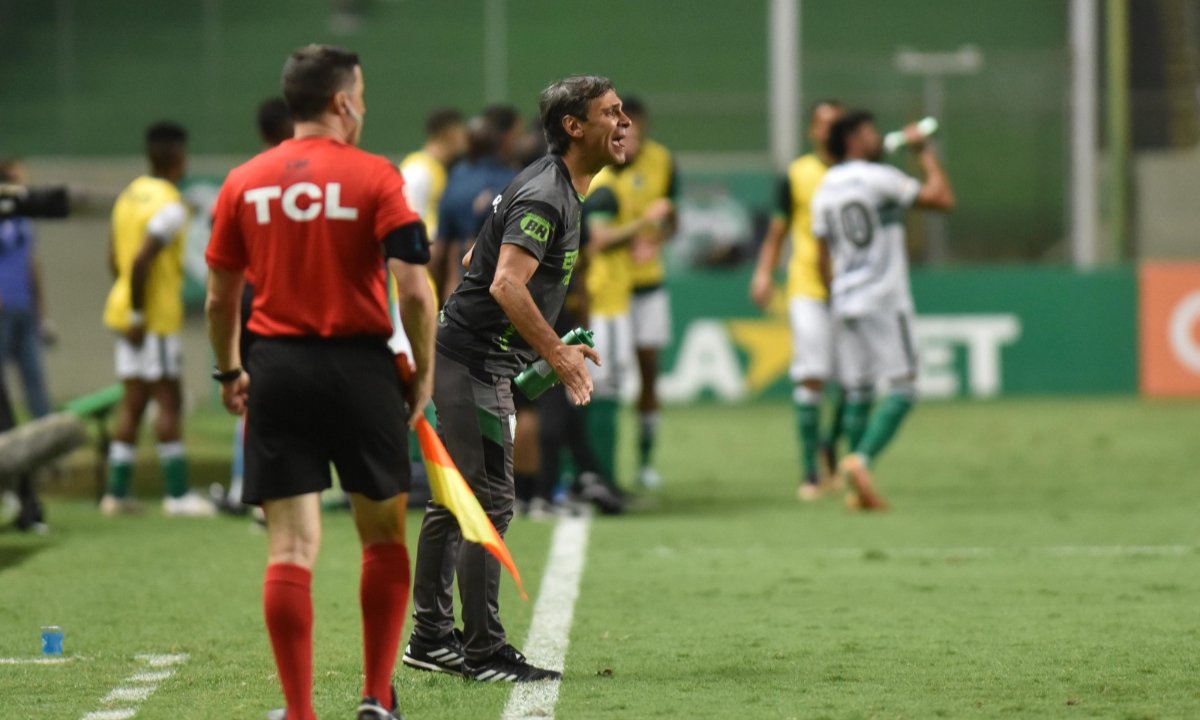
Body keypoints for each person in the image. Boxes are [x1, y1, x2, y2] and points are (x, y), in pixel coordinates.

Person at [205, 44, 436, 720]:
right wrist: (419, 371)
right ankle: (374, 698)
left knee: (291, 548)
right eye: (360, 94)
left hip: (277, 368)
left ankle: (300, 713)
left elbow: (222, 300)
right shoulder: (376, 177)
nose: (362, 106)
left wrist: (230, 370)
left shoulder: (244, 180)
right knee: (384, 539)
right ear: (342, 102)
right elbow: (416, 293)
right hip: (362, 370)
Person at [404, 75, 623, 683]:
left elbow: (476, 259)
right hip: (470, 359)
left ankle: (430, 636)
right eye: (611, 113)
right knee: (488, 500)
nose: (625, 123)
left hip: (478, 358)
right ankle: (483, 650)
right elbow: (502, 282)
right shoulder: (548, 194)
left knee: (462, 500)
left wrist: (535, 350)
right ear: (575, 128)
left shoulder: (554, 185)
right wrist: (553, 353)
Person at [811, 110, 954, 510]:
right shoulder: (879, 178)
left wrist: (834, 293)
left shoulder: (824, 187)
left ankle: (855, 488)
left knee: (858, 391)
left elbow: (821, 254)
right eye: (869, 132)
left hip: (844, 297)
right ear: (855, 141)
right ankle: (861, 460)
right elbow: (942, 198)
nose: (876, 137)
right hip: (885, 298)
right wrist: (923, 152)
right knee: (904, 388)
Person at [100, 121, 215, 517]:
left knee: (132, 401)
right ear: (178, 157)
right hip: (153, 320)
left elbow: (115, 258)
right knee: (169, 398)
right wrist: (139, 312)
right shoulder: (169, 204)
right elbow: (139, 259)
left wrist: (127, 305)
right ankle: (178, 495)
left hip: (125, 313)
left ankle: (115, 493)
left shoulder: (129, 196)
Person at [749, 100, 844, 501]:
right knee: (812, 374)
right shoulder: (797, 175)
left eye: (837, 124)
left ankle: (831, 449)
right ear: (812, 131)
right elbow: (778, 231)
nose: (829, 130)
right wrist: (764, 272)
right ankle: (810, 472)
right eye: (823, 124)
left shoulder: (861, 174)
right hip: (806, 285)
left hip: (854, 288)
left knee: (857, 382)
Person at [581, 117, 673, 492]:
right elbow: (599, 240)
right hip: (607, 299)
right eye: (620, 138)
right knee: (604, 386)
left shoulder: (654, 165)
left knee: (617, 382)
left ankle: (601, 475)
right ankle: (598, 476)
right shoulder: (605, 188)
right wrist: (642, 224)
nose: (627, 145)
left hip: (622, 293)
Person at [217, 98, 295, 515]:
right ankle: (280, 489)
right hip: (291, 299)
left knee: (252, 389)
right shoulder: (319, 179)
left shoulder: (245, 180)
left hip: (252, 297)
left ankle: (246, 489)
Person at [430, 116, 518, 305]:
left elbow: (440, 250)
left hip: (461, 295)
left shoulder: (455, 182)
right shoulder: (516, 181)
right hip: (507, 294)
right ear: (498, 144)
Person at [0, 159, 54, 421]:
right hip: (3, 307)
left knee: (34, 376)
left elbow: (32, 265)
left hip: (24, 307)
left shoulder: (24, 220)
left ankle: (46, 442)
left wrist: (42, 313)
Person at [399, 107, 467, 240]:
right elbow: (407, 221)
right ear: (451, 134)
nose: (467, 140)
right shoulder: (418, 170)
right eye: (463, 133)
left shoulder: (440, 168)